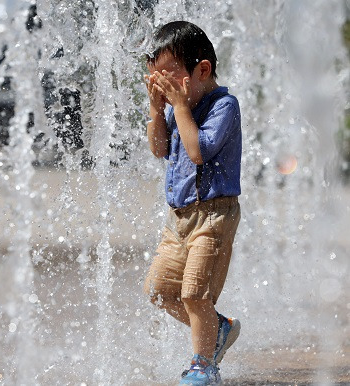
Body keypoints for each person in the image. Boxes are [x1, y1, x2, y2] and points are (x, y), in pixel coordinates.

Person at [143, 21, 242, 385]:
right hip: (179, 218)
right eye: (157, 80)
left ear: (202, 70)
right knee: (160, 291)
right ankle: (218, 329)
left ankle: (204, 365)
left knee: (194, 294)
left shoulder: (224, 106)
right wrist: (157, 110)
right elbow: (158, 149)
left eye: (169, 79)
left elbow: (197, 152)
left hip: (214, 216)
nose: (165, 89)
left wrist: (179, 107)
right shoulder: (173, 108)